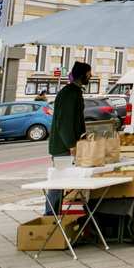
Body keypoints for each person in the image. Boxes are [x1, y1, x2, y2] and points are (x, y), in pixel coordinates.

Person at [47, 61, 90, 215]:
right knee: (58, 182)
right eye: (89, 73)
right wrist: (72, 145)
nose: (90, 76)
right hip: (63, 148)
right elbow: (64, 122)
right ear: (83, 74)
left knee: (61, 182)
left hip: (67, 146)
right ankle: (50, 214)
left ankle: (54, 213)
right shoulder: (70, 93)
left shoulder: (74, 92)